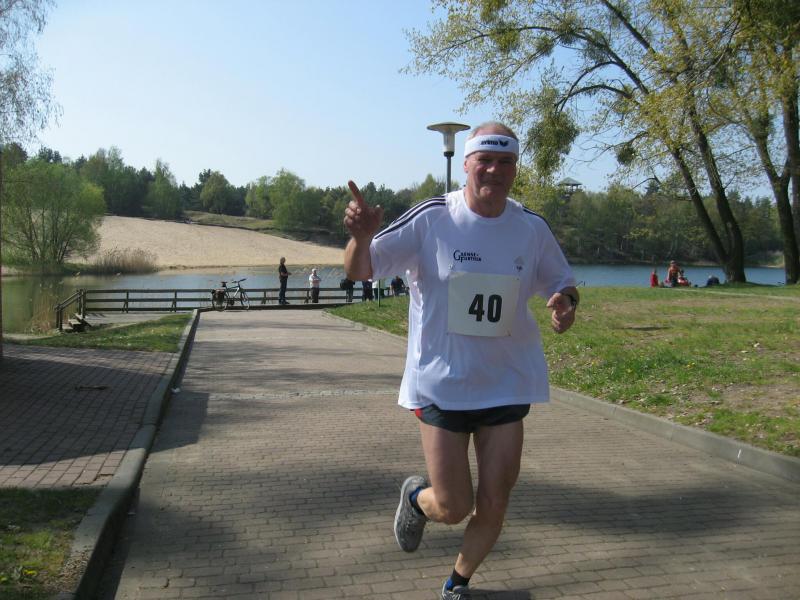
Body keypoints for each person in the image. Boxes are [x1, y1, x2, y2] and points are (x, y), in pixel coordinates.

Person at [343, 122, 578, 600]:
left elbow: (562, 280)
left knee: (494, 501)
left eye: (505, 161)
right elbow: (361, 270)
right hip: (441, 384)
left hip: (506, 383)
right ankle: (417, 498)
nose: (494, 170)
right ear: (467, 164)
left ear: (515, 169)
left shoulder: (530, 227)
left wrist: (565, 302)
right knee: (453, 507)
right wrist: (362, 239)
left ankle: (457, 583)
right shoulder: (432, 218)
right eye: (484, 160)